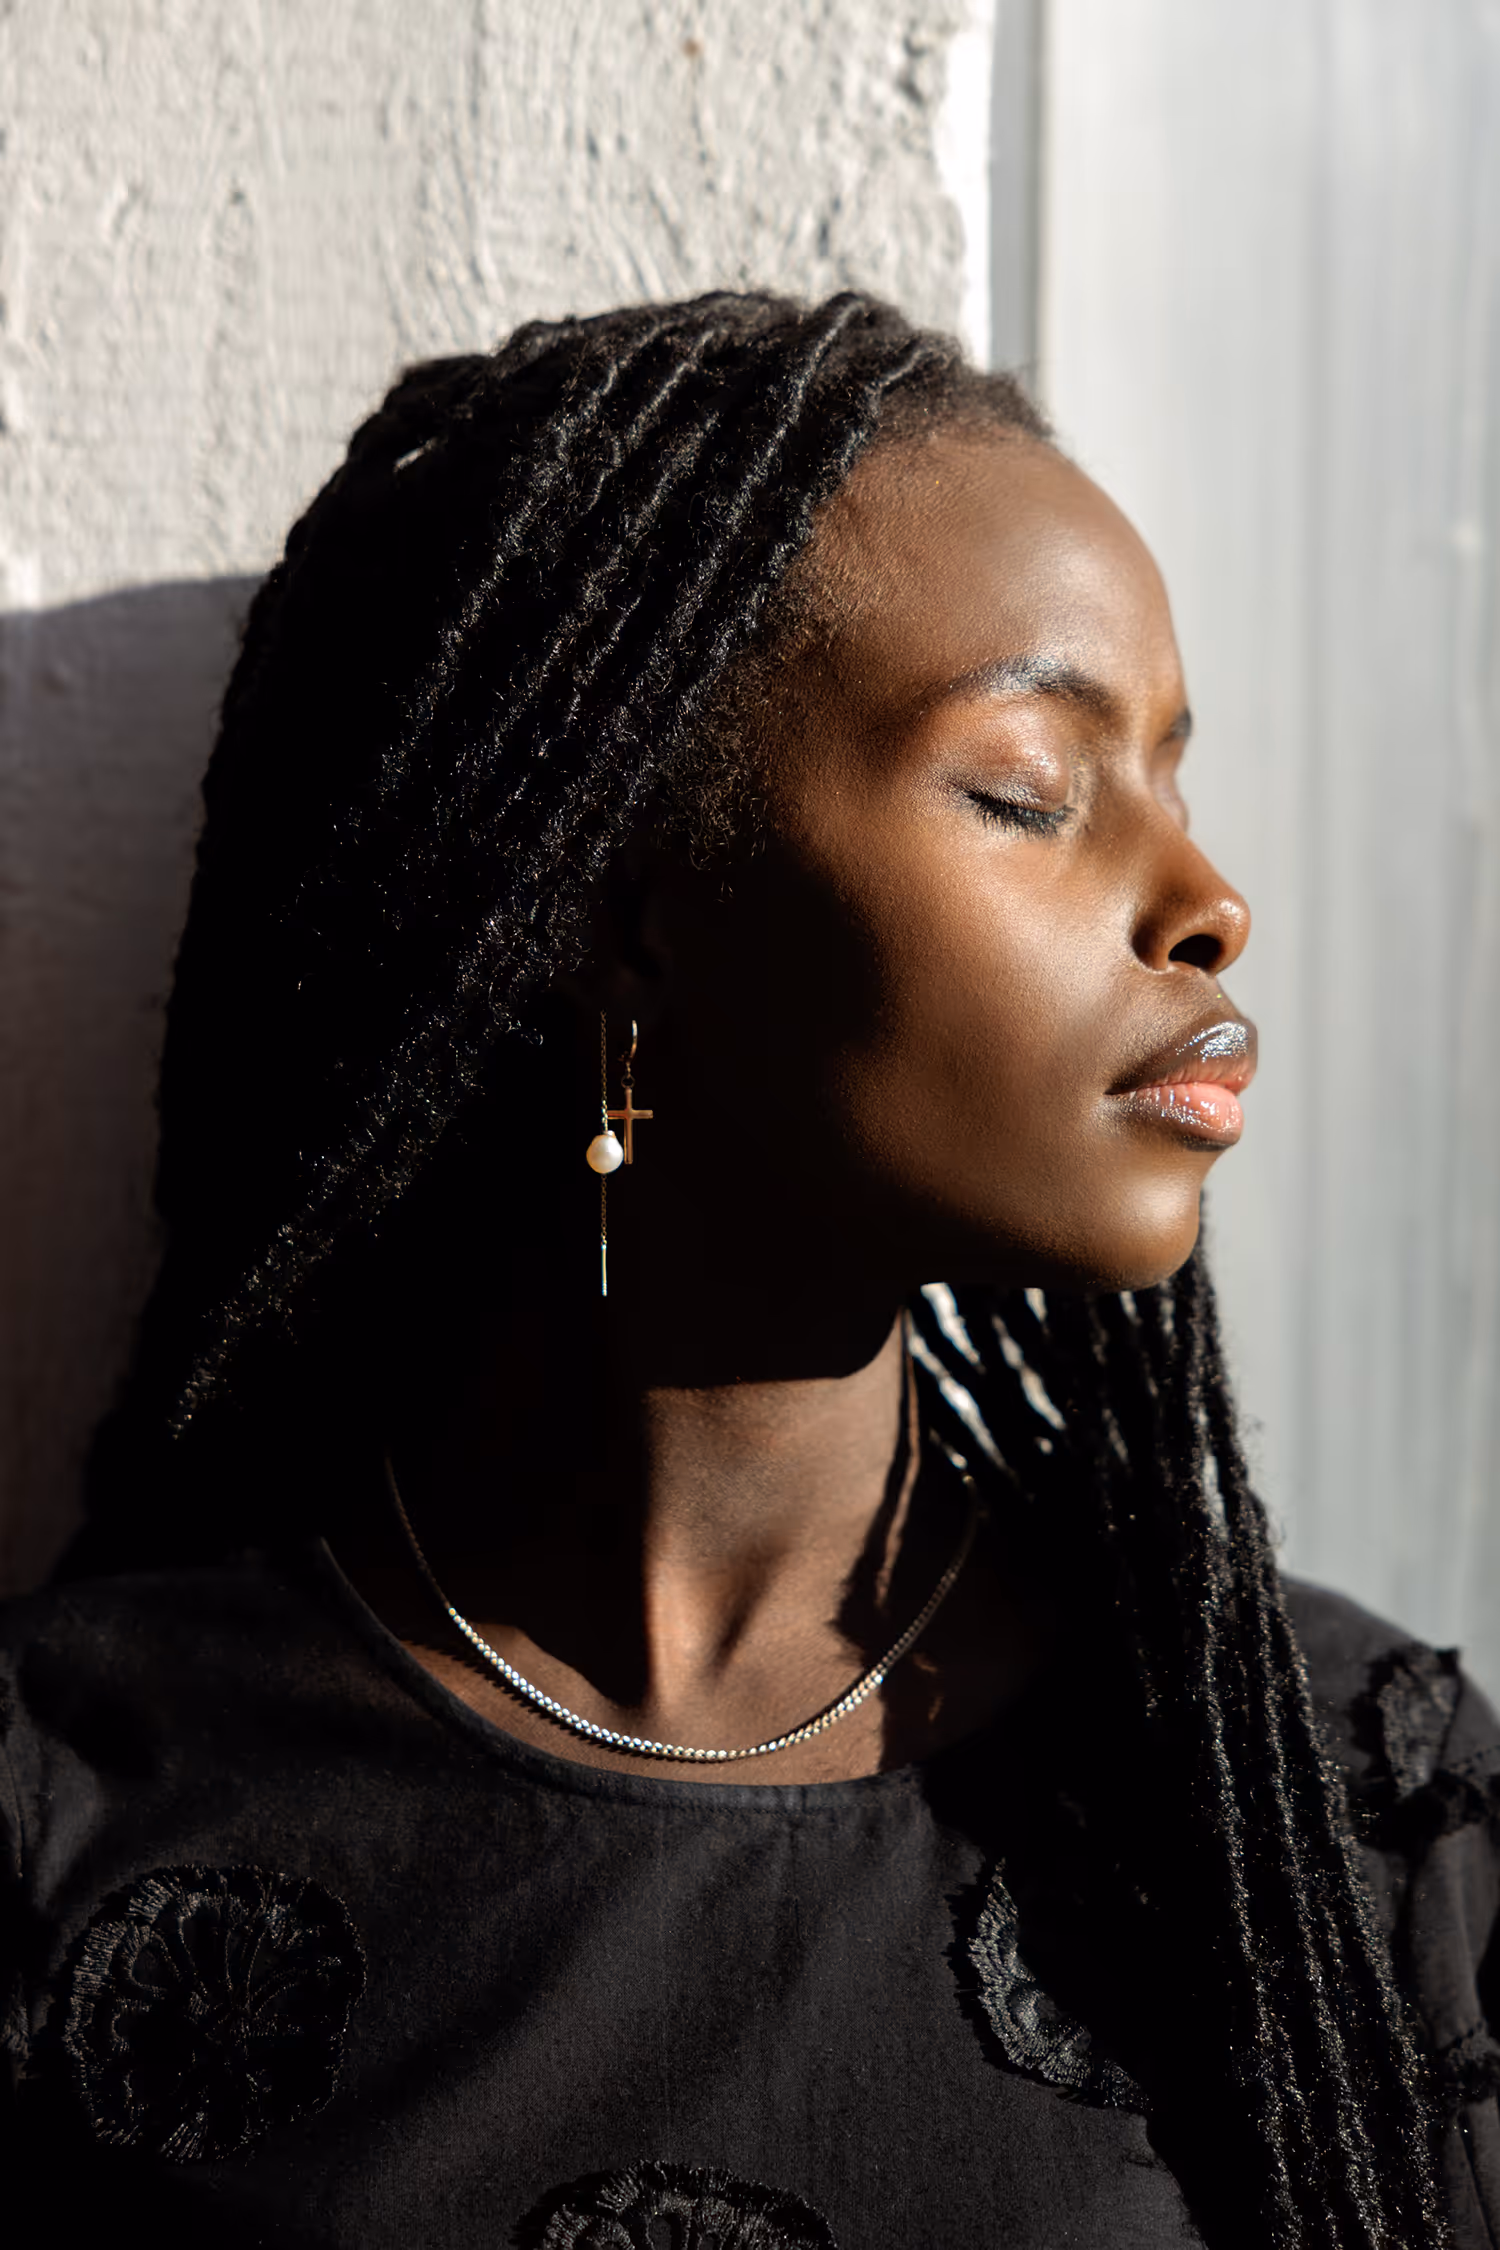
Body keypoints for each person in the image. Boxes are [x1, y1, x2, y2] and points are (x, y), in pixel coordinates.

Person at [0, 292, 1494, 2250]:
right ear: (626, 920)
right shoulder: (79, 1810)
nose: (1206, 905)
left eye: (1176, 781)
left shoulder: (1333, 1804)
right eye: (1032, 790)